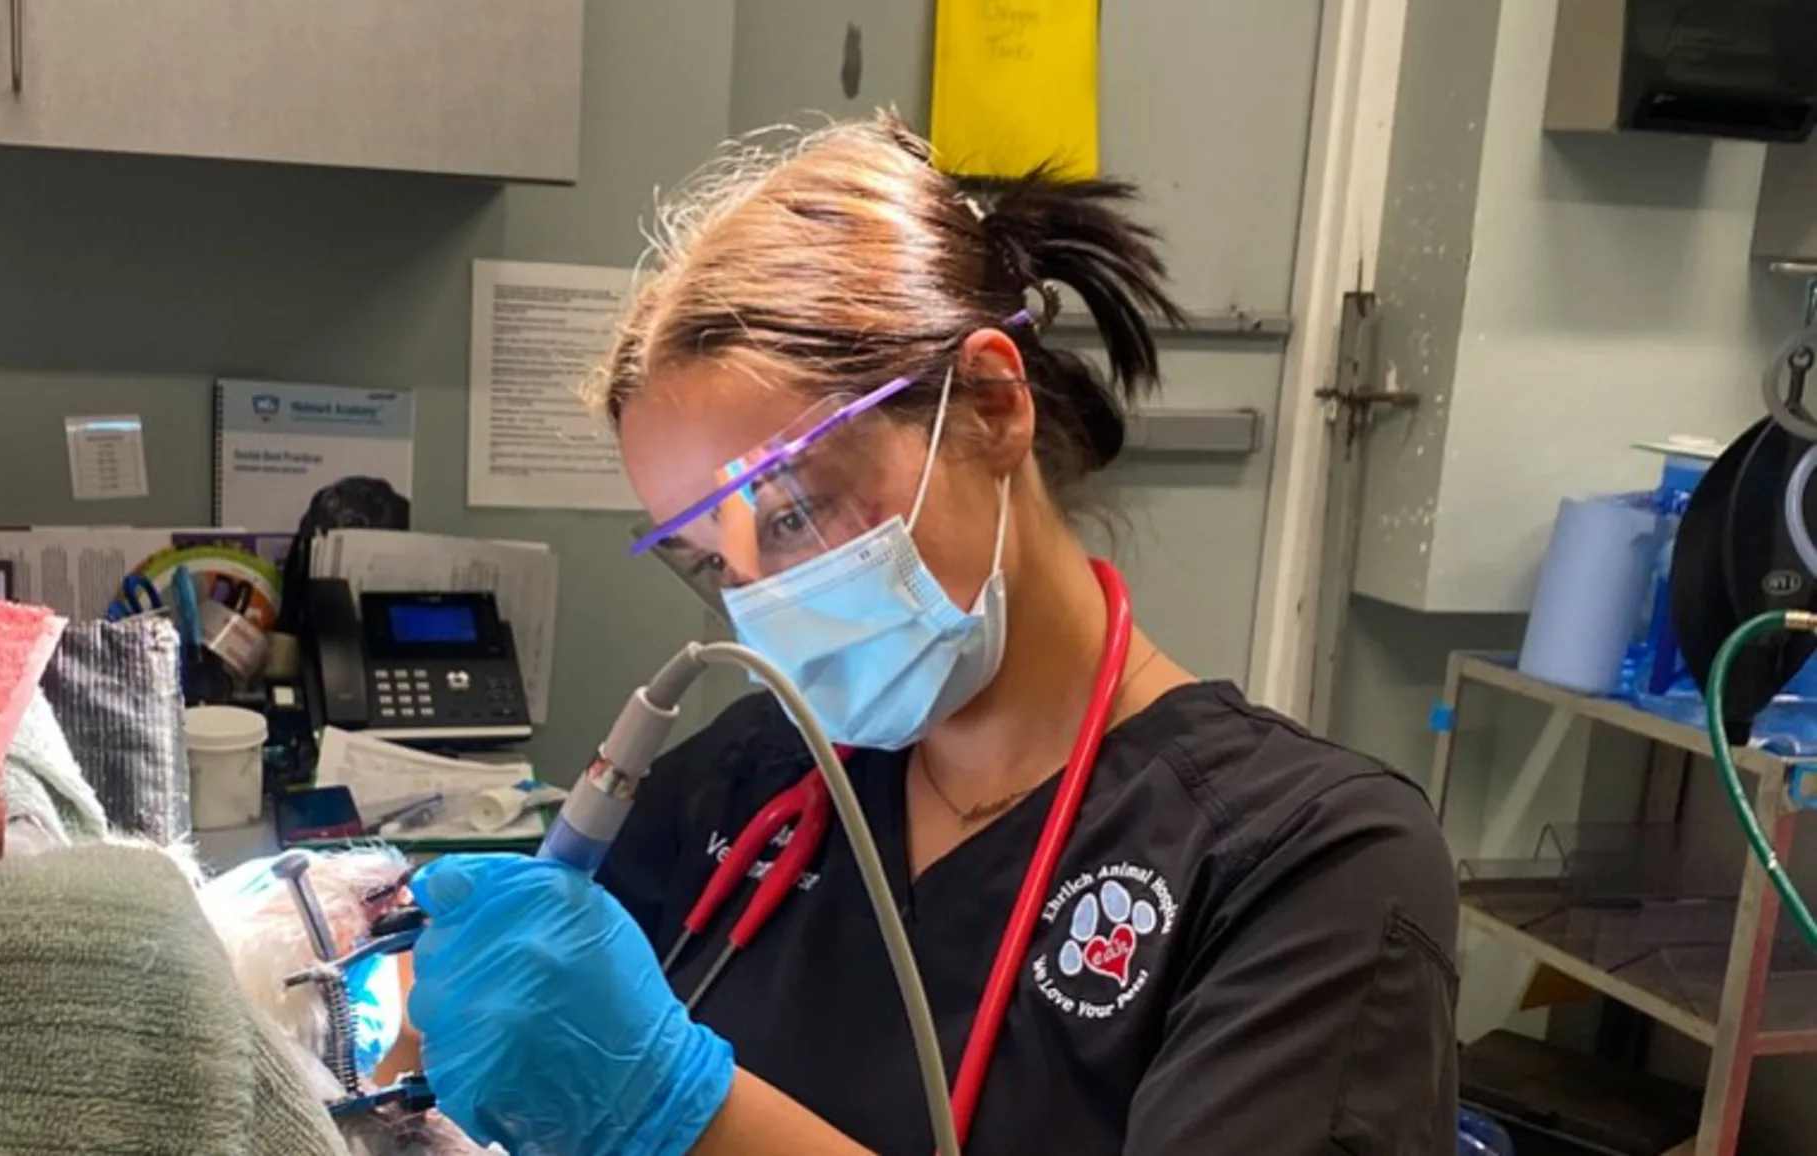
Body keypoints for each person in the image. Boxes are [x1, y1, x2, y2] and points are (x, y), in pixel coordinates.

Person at [405, 113, 1459, 1156]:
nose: (763, 603)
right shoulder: (758, 778)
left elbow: (633, 1084)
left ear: (994, 404)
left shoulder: (1307, 863)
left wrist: (680, 1115)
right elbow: (500, 1002)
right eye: (717, 562)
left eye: (794, 511)